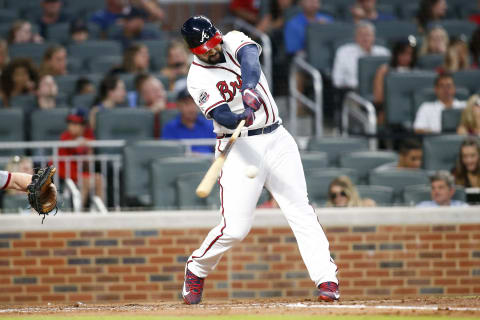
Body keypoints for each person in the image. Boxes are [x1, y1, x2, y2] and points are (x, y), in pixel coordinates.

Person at [180, 15, 339, 305]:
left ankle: (326, 279)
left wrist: (249, 88)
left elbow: (251, 60)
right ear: (195, 50)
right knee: (235, 229)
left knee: (300, 210)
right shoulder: (197, 78)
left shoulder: (234, 39)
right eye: (207, 50)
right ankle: (197, 266)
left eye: (215, 44)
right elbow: (221, 116)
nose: (214, 51)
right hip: (238, 147)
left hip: (277, 139)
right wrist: (239, 115)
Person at [58, 108, 104, 208]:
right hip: (64, 173)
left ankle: (97, 210)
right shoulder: (65, 136)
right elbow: (73, 145)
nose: (71, 127)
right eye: (70, 123)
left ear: (83, 126)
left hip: (78, 172)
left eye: (75, 124)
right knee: (86, 181)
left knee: (99, 179)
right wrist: (83, 142)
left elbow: (88, 165)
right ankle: (78, 212)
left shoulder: (88, 136)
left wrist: (88, 149)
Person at [332, 21, 390, 90]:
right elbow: (337, 80)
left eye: (368, 35)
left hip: (380, 92)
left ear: (373, 37)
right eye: (361, 35)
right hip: (353, 91)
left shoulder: (384, 52)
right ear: (355, 37)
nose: (365, 38)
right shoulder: (344, 52)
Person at [373, 37, 417, 123]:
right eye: (403, 54)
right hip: (389, 108)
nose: (407, 58)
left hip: (412, 110)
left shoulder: (416, 72)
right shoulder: (384, 70)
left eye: (410, 54)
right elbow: (378, 98)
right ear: (396, 54)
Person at [161, 88, 216, 153]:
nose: (191, 108)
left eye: (194, 103)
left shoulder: (210, 126)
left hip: (209, 162)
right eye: (187, 104)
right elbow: (169, 154)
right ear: (179, 105)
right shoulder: (170, 128)